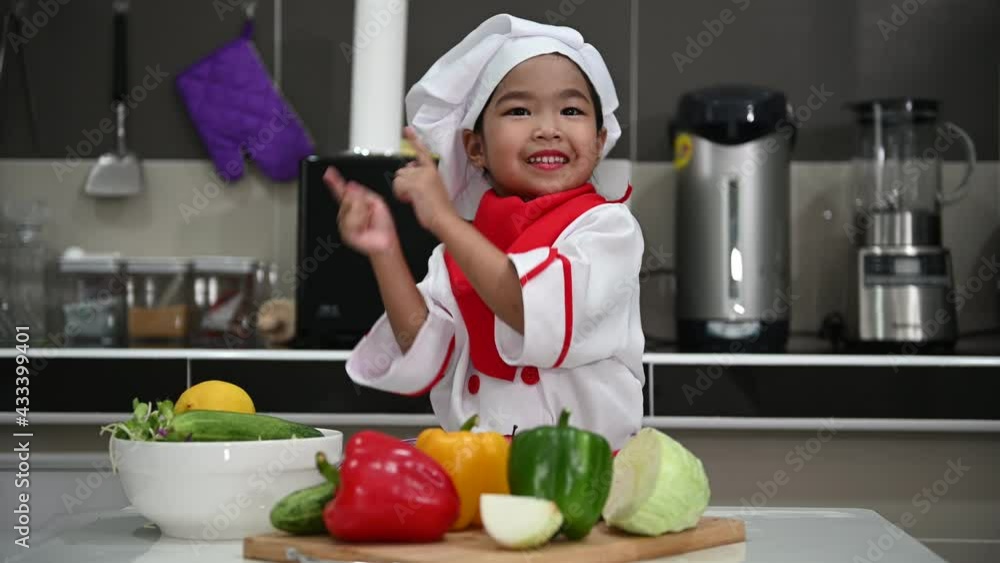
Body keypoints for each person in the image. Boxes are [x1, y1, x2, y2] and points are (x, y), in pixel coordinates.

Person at [323, 14, 645, 450]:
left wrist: (443, 220)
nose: (548, 128)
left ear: (600, 138)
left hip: (589, 479)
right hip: (478, 473)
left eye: (571, 110)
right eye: (519, 110)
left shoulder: (607, 230)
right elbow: (422, 350)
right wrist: (385, 251)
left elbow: (527, 307)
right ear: (476, 148)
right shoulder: (462, 248)